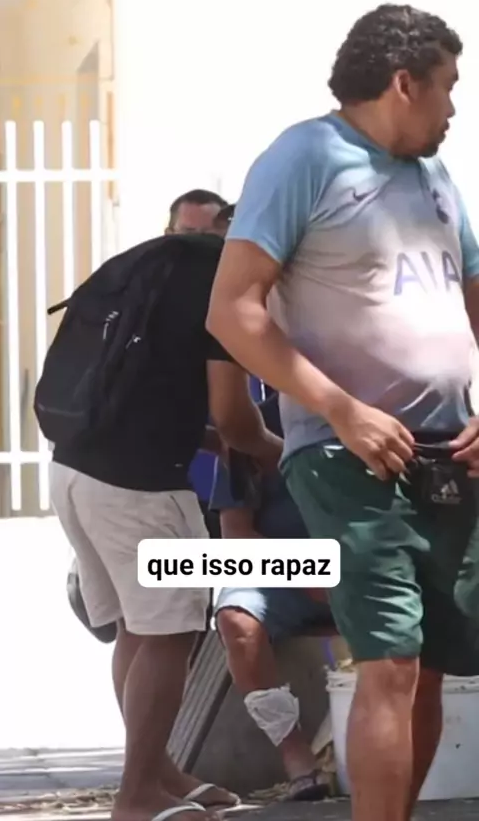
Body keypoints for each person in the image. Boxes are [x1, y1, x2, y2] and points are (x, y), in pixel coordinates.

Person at [206, 3, 479, 821]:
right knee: (390, 660)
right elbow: (233, 312)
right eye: (448, 86)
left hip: (451, 455)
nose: (455, 107)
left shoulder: (433, 176)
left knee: (428, 666)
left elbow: (471, 295)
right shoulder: (305, 156)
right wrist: (342, 410)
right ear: (404, 83)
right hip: (345, 451)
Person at [50, 230, 282, 821]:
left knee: (138, 628)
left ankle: (157, 773)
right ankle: (137, 794)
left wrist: (201, 437)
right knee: (168, 634)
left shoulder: (163, 265)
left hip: (75, 469)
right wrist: (282, 454)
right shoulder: (226, 285)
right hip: (139, 490)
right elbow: (234, 417)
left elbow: (145, 389)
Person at [211, 390, 337, 801]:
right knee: (237, 619)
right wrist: (306, 573)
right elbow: (236, 535)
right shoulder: (250, 427)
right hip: (281, 575)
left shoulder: (385, 411)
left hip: (365, 568)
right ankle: (296, 756)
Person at [166, 191, 231, 537]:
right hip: (170, 484)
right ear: (168, 235)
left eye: (210, 236)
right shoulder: (152, 302)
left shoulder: (240, 300)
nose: (200, 246)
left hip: (233, 486)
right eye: (189, 234)